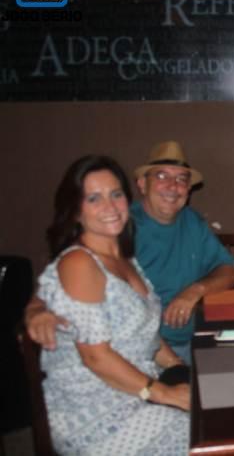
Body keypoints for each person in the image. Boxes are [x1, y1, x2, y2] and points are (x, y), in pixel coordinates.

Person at [26, 141, 234, 365]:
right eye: (162, 176)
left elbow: (230, 271)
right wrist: (37, 309)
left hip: (190, 342)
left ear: (188, 189)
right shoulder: (119, 224)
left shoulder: (192, 221)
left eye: (181, 179)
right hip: (132, 353)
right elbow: (66, 272)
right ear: (142, 184)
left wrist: (194, 291)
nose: (173, 186)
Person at [37, 155, 188, 454]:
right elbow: (95, 357)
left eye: (116, 194)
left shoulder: (125, 259)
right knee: (206, 439)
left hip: (136, 387)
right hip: (95, 411)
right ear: (75, 211)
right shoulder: (79, 263)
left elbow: (143, 332)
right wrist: (165, 393)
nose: (110, 206)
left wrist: (178, 367)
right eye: (94, 198)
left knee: (223, 408)